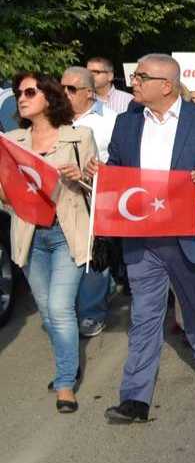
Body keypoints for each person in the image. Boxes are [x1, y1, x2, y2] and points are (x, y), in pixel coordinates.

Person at [92, 54, 195, 424]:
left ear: (166, 85)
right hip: (142, 235)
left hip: (189, 231)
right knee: (144, 315)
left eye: (140, 77)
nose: (133, 82)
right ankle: (135, 398)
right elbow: (118, 170)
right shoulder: (127, 123)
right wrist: (101, 173)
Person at [2, 73, 97, 413]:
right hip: (29, 237)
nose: (22, 98)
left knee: (59, 308)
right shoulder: (11, 141)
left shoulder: (79, 136)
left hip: (66, 233)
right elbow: (6, 197)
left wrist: (83, 176)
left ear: (49, 97)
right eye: (18, 93)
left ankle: (65, 384)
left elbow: (96, 190)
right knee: (47, 312)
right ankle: (68, 364)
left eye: (30, 91)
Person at [61, 66, 118, 338]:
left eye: (71, 89)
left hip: (99, 197)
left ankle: (92, 313)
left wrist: (99, 171)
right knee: (72, 252)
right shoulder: (54, 120)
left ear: (88, 92)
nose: (64, 93)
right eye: (61, 87)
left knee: (94, 255)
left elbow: (120, 159)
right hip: (63, 199)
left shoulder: (111, 120)